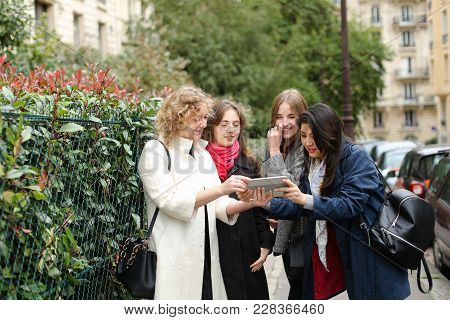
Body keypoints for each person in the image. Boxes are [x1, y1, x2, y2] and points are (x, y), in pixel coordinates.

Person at [137, 85, 271, 300]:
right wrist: (221, 188)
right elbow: (170, 202)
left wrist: (251, 202)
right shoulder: (155, 151)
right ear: (178, 116)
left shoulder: (201, 154)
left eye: (203, 117)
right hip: (175, 257)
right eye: (197, 118)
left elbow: (218, 206)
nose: (203, 123)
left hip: (208, 257)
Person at [267, 103, 411, 299]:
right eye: (303, 136)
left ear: (328, 133)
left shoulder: (356, 157)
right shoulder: (317, 162)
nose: (308, 142)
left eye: (313, 135)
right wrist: (262, 203)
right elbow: (296, 204)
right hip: (351, 253)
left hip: (374, 254)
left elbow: (348, 205)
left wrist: (305, 199)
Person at [203, 99, 274, 299]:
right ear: (212, 127)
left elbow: (259, 208)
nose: (230, 130)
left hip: (248, 246)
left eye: (236, 124)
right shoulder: (201, 162)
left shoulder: (248, 162)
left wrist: (265, 244)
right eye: (224, 124)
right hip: (216, 248)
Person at [262, 89, 307, 299]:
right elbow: (268, 187)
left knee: (301, 294)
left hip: (303, 237)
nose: (284, 123)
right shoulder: (275, 143)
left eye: (291, 116)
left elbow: (289, 189)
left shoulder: (305, 147)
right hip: (286, 234)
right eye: (279, 117)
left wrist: (273, 152)